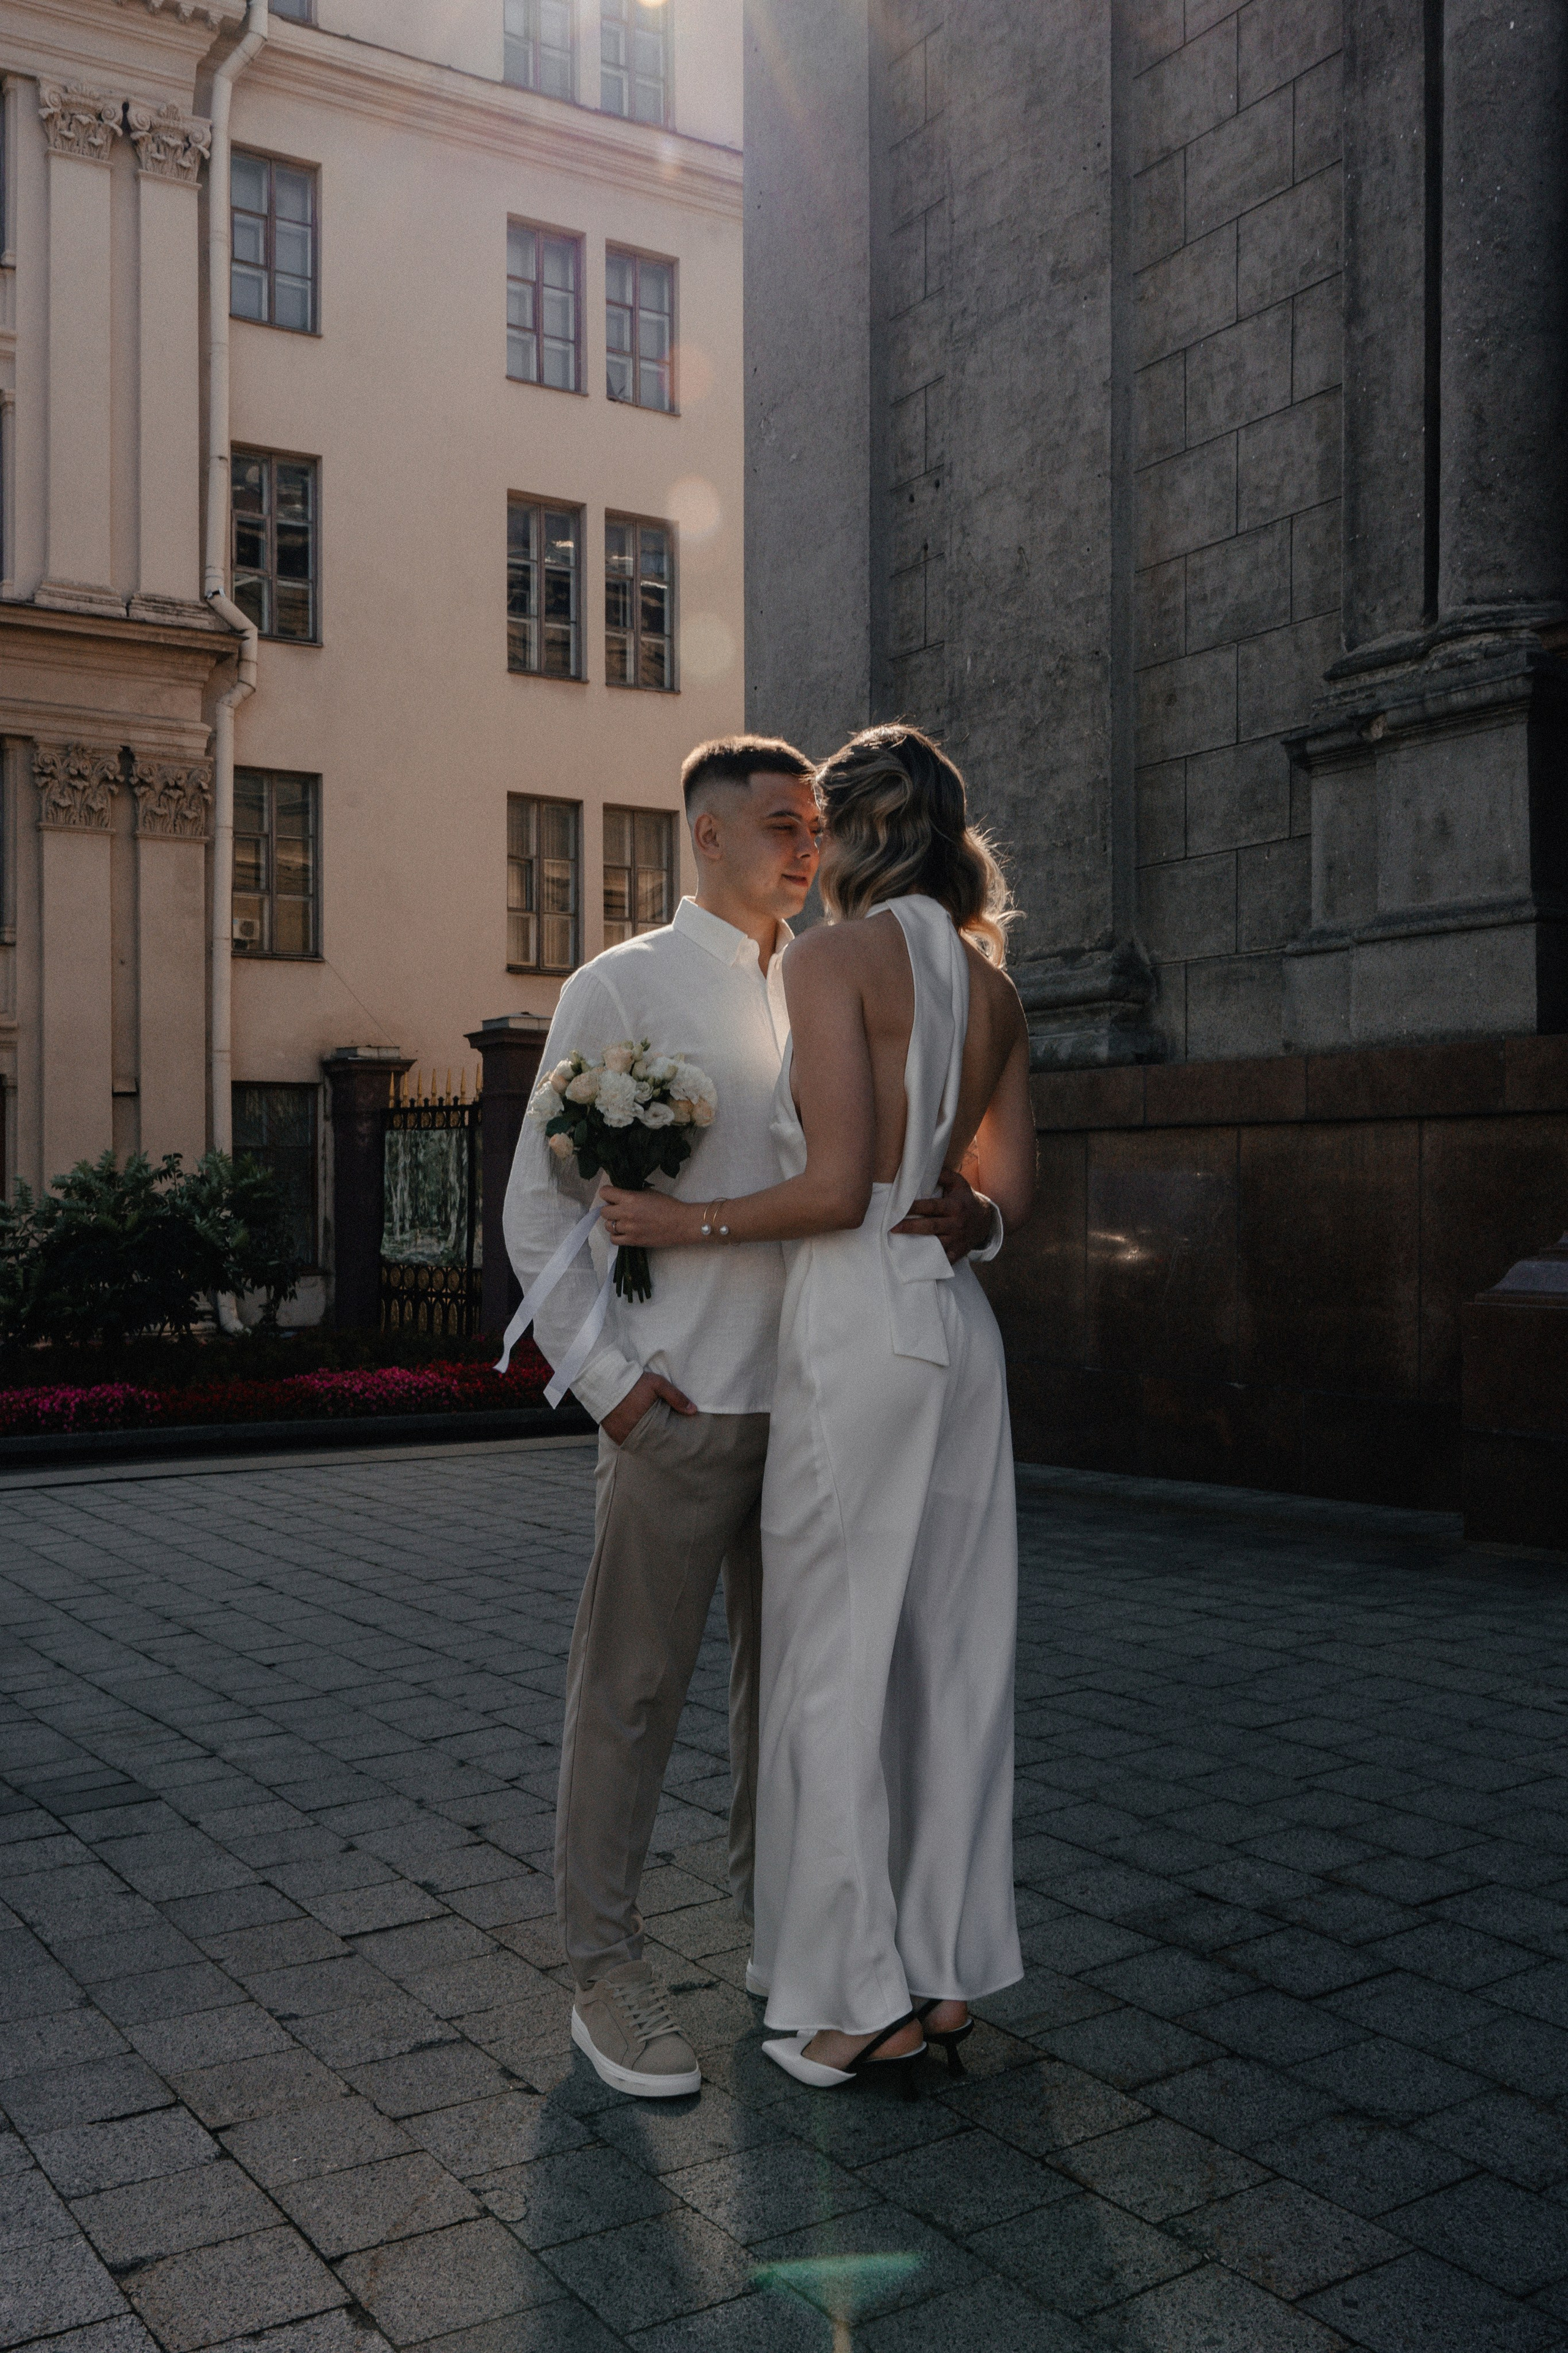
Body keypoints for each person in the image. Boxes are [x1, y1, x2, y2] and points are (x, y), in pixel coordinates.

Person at [502, 734, 998, 2100]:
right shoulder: (621, 986)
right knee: (633, 1693)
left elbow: (916, 1174)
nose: (801, 842)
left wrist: (973, 1215)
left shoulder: (843, 971)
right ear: (705, 835)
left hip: (833, 1409)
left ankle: (798, 1957)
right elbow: (537, 1203)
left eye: (813, 822)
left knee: (799, 1708)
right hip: (686, 1400)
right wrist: (608, 1383)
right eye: (778, 821)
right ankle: (603, 1975)